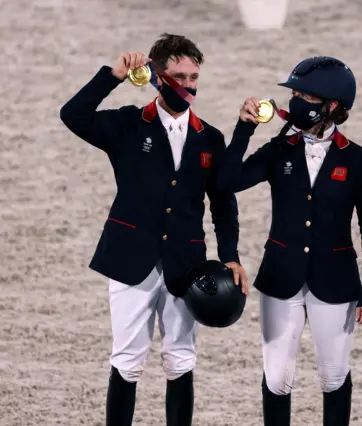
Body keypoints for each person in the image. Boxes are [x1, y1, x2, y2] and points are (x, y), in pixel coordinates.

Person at [59, 33, 248, 426]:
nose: (189, 85)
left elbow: (223, 204)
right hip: (130, 257)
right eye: (180, 76)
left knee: (180, 359)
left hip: (186, 266)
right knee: (127, 361)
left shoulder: (209, 138)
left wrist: (230, 256)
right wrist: (113, 75)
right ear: (158, 77)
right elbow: (72, 114)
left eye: (195, 76)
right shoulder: (127, 124)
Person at [216, 56, 362, 426]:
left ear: (333, 105)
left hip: (336, 281)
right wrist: (243, 129)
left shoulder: (357, 160)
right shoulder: (280, 150)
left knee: (333, 376)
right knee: (276, 379)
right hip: (280, 276)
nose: (295, 102)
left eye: (305, 96)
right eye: (294, 93)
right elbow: (226, 183)